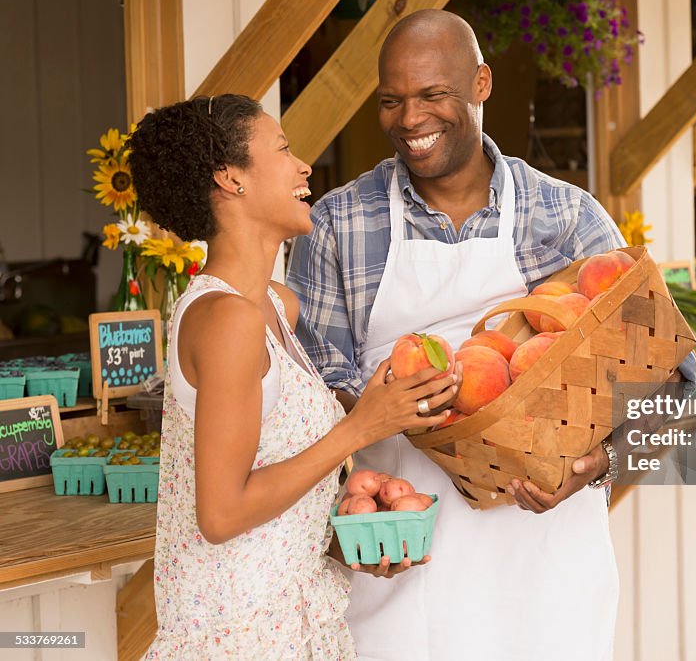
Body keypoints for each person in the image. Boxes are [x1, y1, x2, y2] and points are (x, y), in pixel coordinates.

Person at [288, 9, 696, 661]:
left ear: (481, 83)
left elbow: (673, 389)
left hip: (548, 571)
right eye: (392, 101)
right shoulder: (339, 225)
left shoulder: (569, 218)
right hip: (403, 570)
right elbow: (305, 402)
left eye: (433, 95)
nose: (410, 119)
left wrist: (601, 466)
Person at [127, 94, 457, 660]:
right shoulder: (226, 319)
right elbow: (222, 513)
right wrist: (360, 429)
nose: (304, 166)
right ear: (231, 179)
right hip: (243, 639)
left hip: (292, 623)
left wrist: (348, 539)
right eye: (282, 149)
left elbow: (272, 496)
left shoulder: (277, 307)